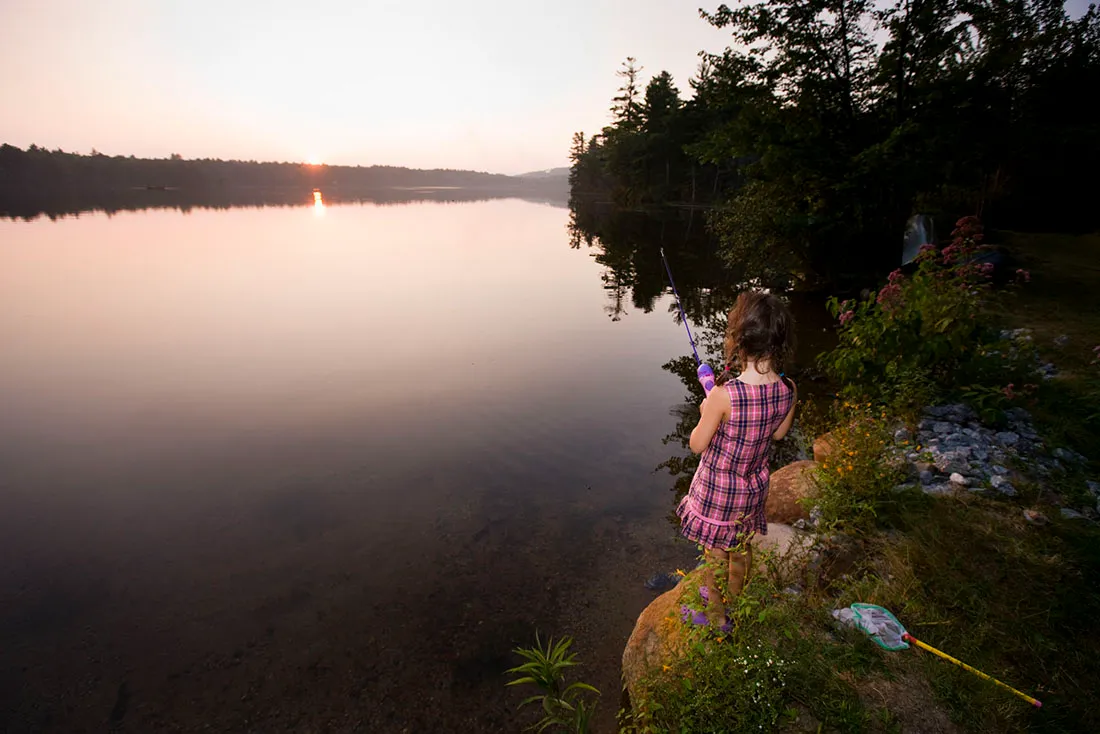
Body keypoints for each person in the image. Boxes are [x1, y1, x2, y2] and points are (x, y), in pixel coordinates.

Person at [677, 291, 797, 616]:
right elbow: (779, 433)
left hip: (719, 494)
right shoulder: (788, 389)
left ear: (737, 339)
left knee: (715, 554)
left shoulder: (722, 396)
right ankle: (736, 601)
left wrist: (708, 410)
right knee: (741, 549)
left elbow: (697, 444)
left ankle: (716, 617)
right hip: (753, 489)